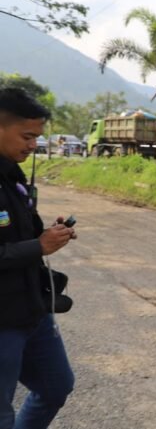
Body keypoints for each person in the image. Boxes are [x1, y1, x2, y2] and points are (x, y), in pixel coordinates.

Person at [0, 87, 77, 429]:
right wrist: (38, 246)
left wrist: (50, 234)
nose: (33, 145)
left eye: (37, 137)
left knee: (56, 385)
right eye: (27, 136)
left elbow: (21, 236)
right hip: (2, 320)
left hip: (32, 309)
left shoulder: (12, 174)